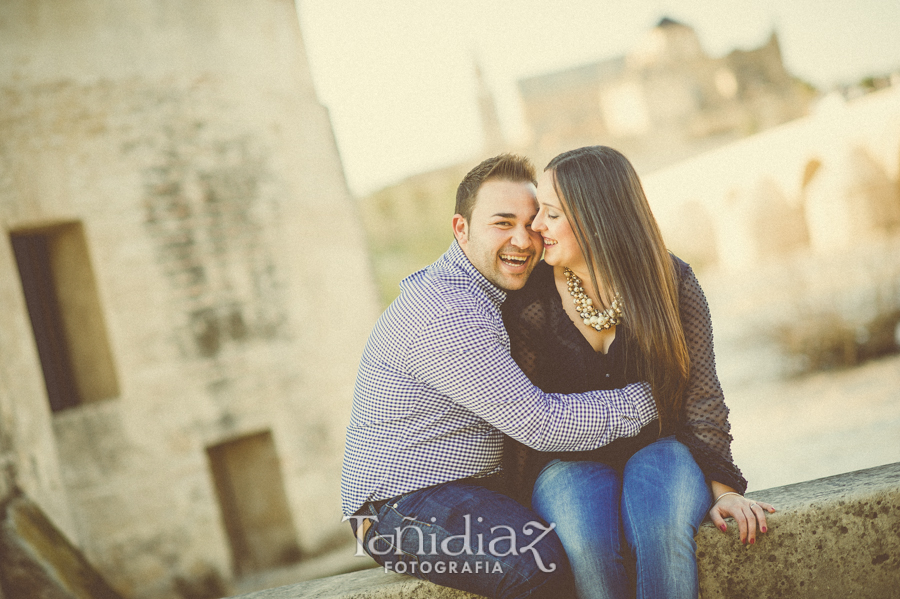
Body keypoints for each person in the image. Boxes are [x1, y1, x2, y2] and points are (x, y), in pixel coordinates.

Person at [340, 154, 661, 599]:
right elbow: (539, 422)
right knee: (536, 565)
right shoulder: (449, 311)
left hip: (465, 488)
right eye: (502, 223)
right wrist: (651, 396)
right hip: (397, 508)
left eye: (532, 223)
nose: (523, 239)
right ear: (461, 229)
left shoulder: (488, 291)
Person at [500, 146, 775, 599]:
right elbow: (522, 417)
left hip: (663, 447)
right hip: (568, 462)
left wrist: (725, 490)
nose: (535, 227)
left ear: (595, 216)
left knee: (660, 528)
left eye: (550, 213)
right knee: (587, 545)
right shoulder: (529, 303)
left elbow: (702, 395)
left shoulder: (672, 282)